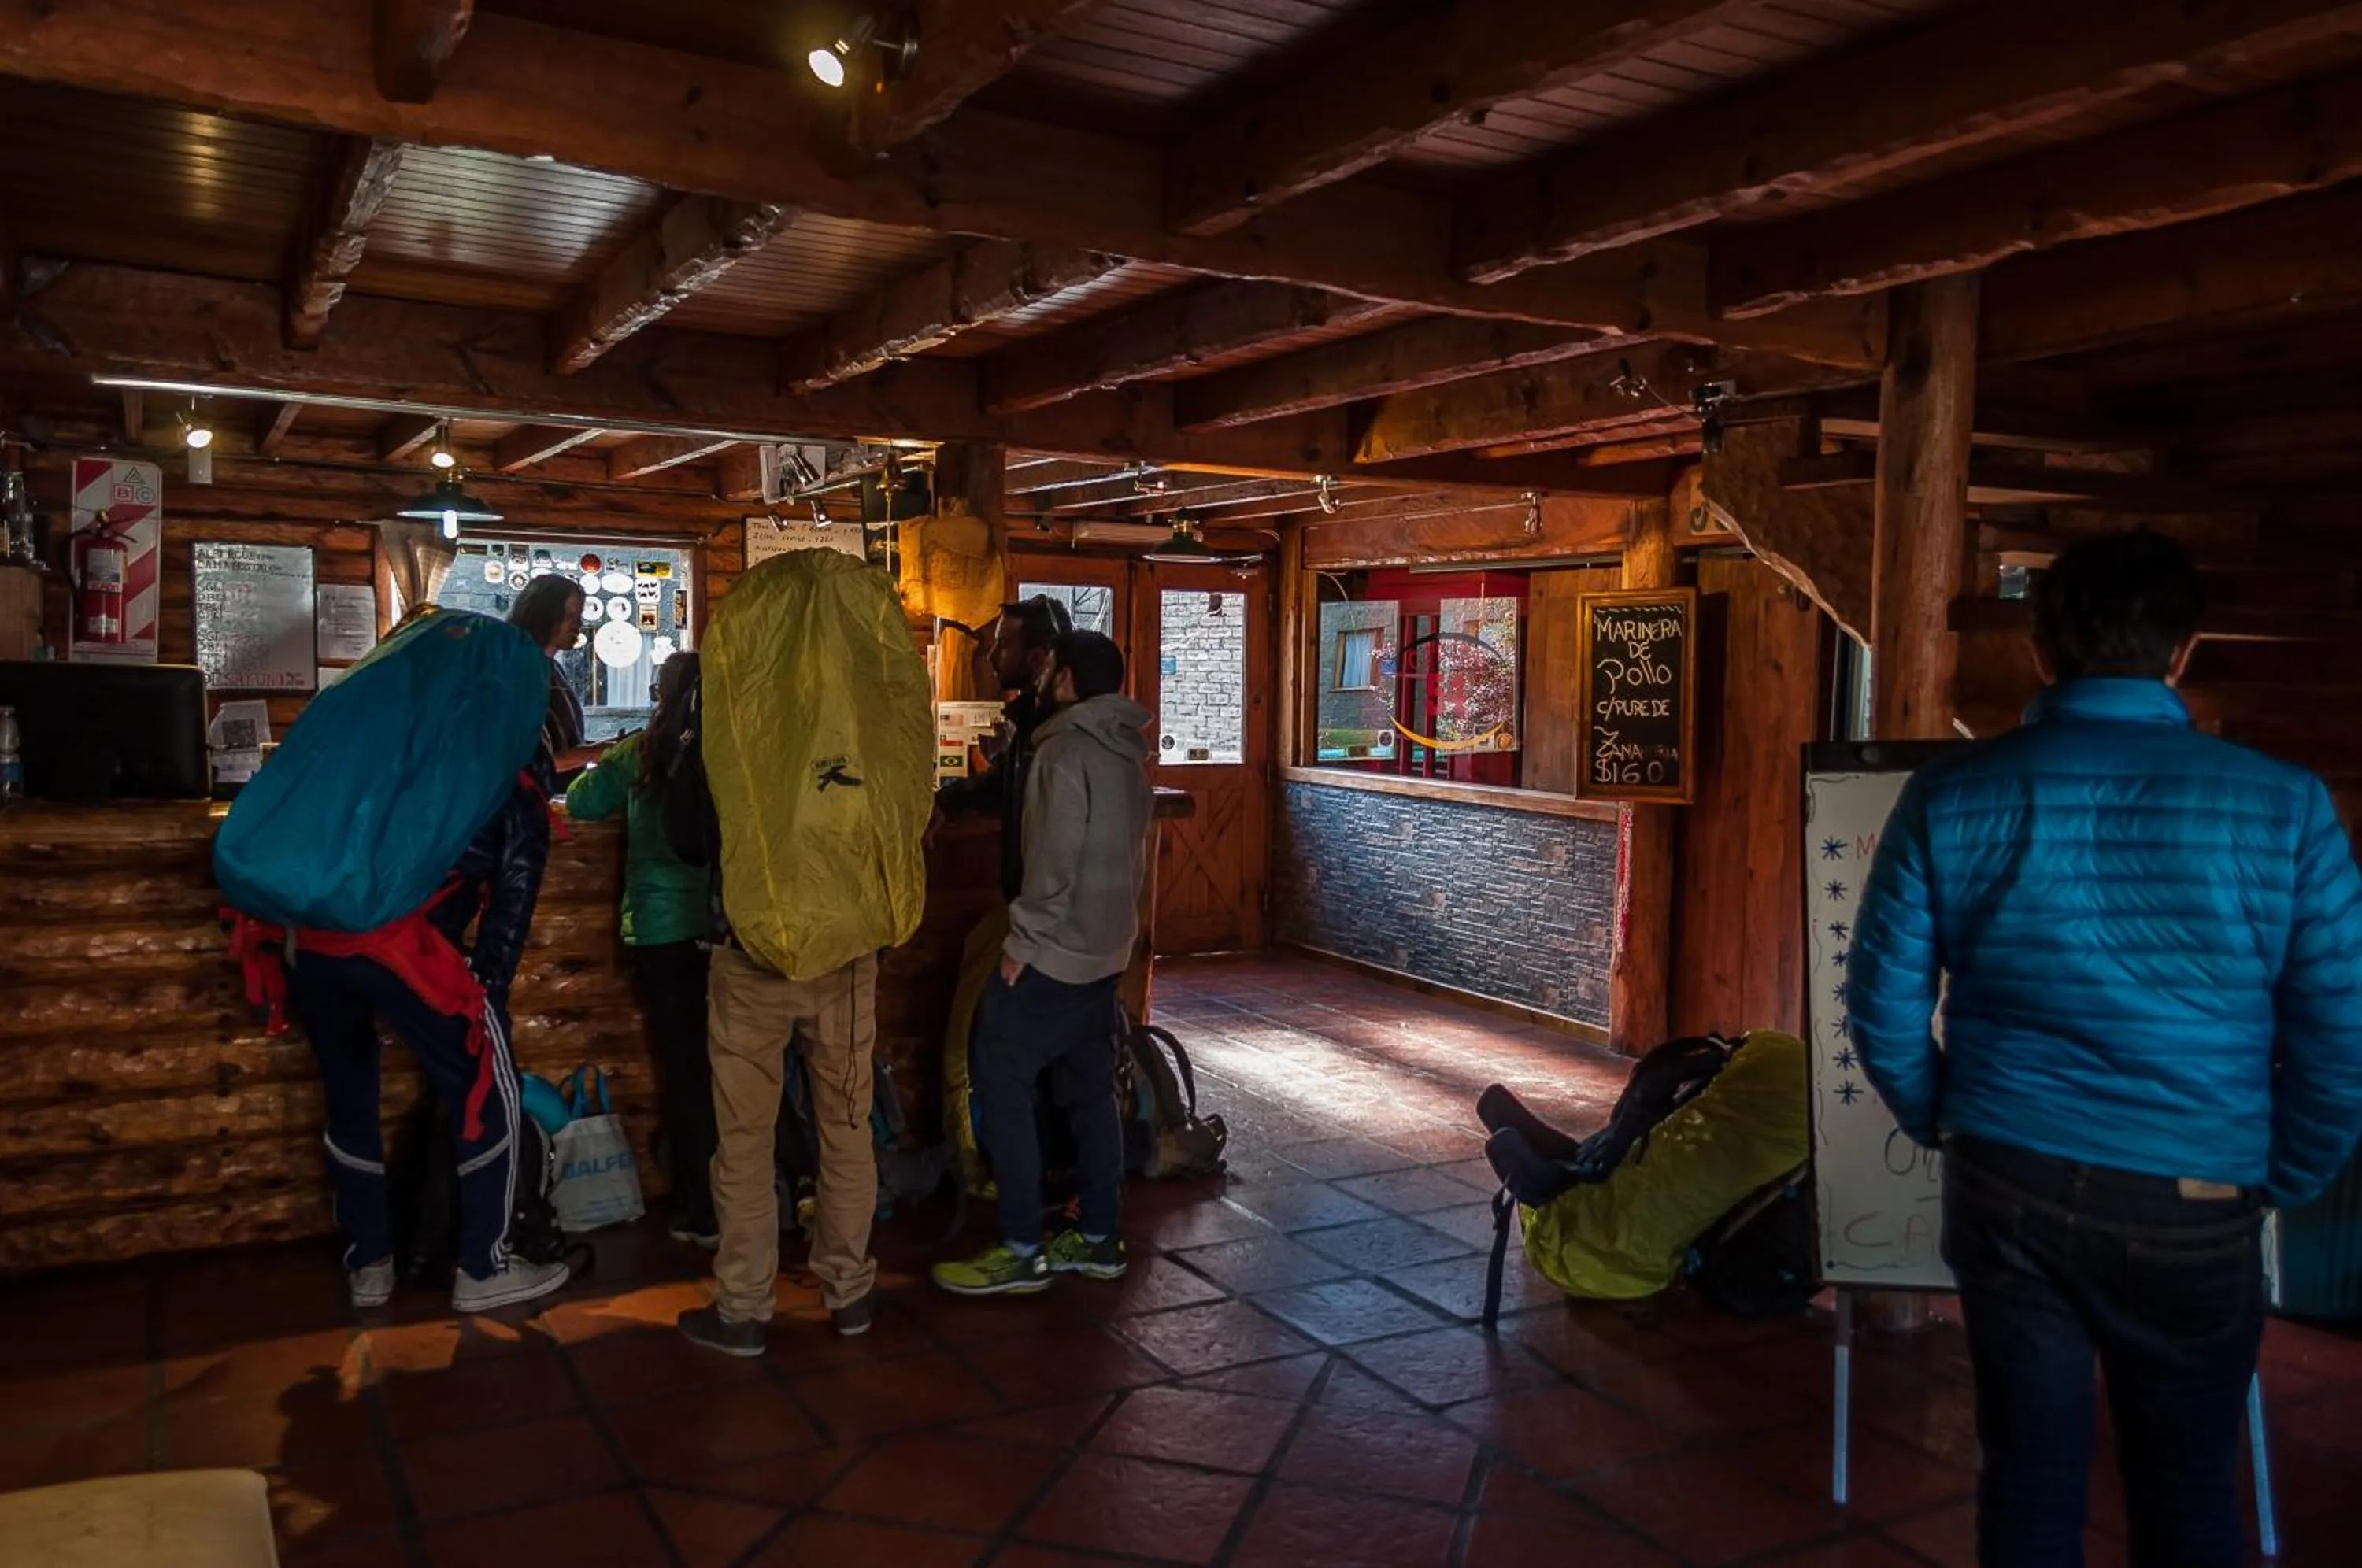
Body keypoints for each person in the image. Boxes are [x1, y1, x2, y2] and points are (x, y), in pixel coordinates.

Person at [1847, 530, 2362, 1568]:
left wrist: (1939, 1114)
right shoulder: (2288, 806)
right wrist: (2282, 1175)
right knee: (2185, 1490)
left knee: (2028, 1481)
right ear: (2186, 651)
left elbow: (1882, 1004)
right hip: (2198, 1195)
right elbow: (2339, 1032)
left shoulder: (1951, 793)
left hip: (2005, 1176)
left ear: (2041, 650)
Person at [287, 748, 571, 1314]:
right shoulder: (510, 776)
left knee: (350, 1100)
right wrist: (485, 993)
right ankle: (484, 1270)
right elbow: (511, 900)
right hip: (398, 941)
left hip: (311, 936)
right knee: (488, 1091)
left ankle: (370, 1266)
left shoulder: (400, 745)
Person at [934, 630, 1153, 1296]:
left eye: (1048, 667)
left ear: (1064, 679)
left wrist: (1020, 946)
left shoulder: (1063, 752)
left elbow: (1054, 863)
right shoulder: (1126, 751)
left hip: (1052, 956)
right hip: (1107, 950)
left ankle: (1021, 1247)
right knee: (1092, 1097)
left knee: (1001, 1084)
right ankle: (1097, 1238)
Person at [563, 653, 718, 1248]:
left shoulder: (642, 753)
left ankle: (700, 1210)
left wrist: (603, 756)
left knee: (684, 1076)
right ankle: (757, 1197)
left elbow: (580, 802)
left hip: (659, 933)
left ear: (660, 692)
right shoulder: (727, 749)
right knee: (729, 1071)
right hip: (721, 928)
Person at [932, 595, 1073, 897]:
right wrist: (939, 802)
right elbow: (997, 784)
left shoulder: (1061, 732)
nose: (992, 656)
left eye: (1004, 645)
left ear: (1036, 659)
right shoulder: (1032, 722)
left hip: (1052, 920)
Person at [508, 575, 602, 776]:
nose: (578, 624)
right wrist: (598, 752)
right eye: (570, 615)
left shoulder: (553, 669)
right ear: (545, 615)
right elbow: (531, 763)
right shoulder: (518, 673)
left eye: (579, 617)